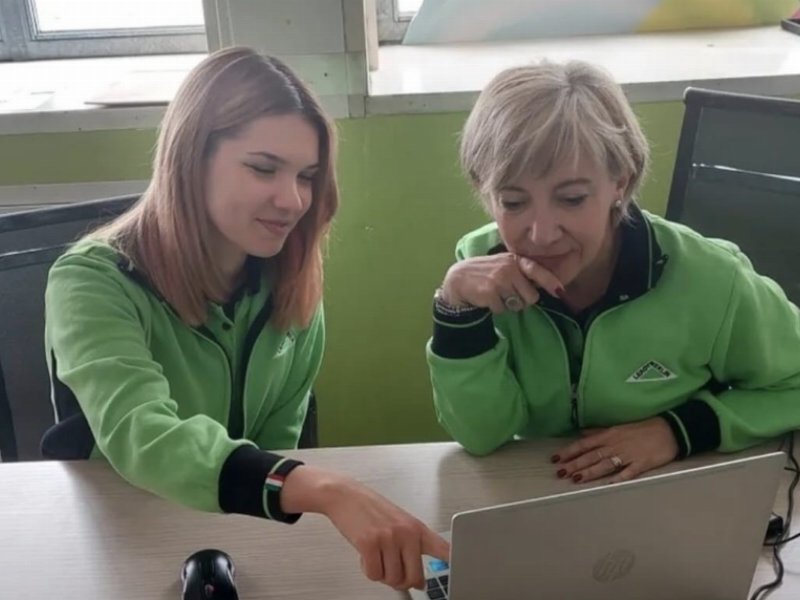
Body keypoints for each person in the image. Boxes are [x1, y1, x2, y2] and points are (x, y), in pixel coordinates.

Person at [44, 46, 448, 592]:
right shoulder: (89, 281)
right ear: (192, 156)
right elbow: (143, 436)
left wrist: (292, 493)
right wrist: (327, 490)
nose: (293, 200)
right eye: (264, 168)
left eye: (307, 175)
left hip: (235, 534)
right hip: (115, 533)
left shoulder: (290, 279)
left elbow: (278, 443)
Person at [427, 60, 800, 485]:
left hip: (671, 493)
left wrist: (678, 432)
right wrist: (455, 310)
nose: (542, 234)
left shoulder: (711, 278)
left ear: (619, 182)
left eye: (571, 198)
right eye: (513, 203)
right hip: (535, 494)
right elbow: (482, 436)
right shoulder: (481, 269)